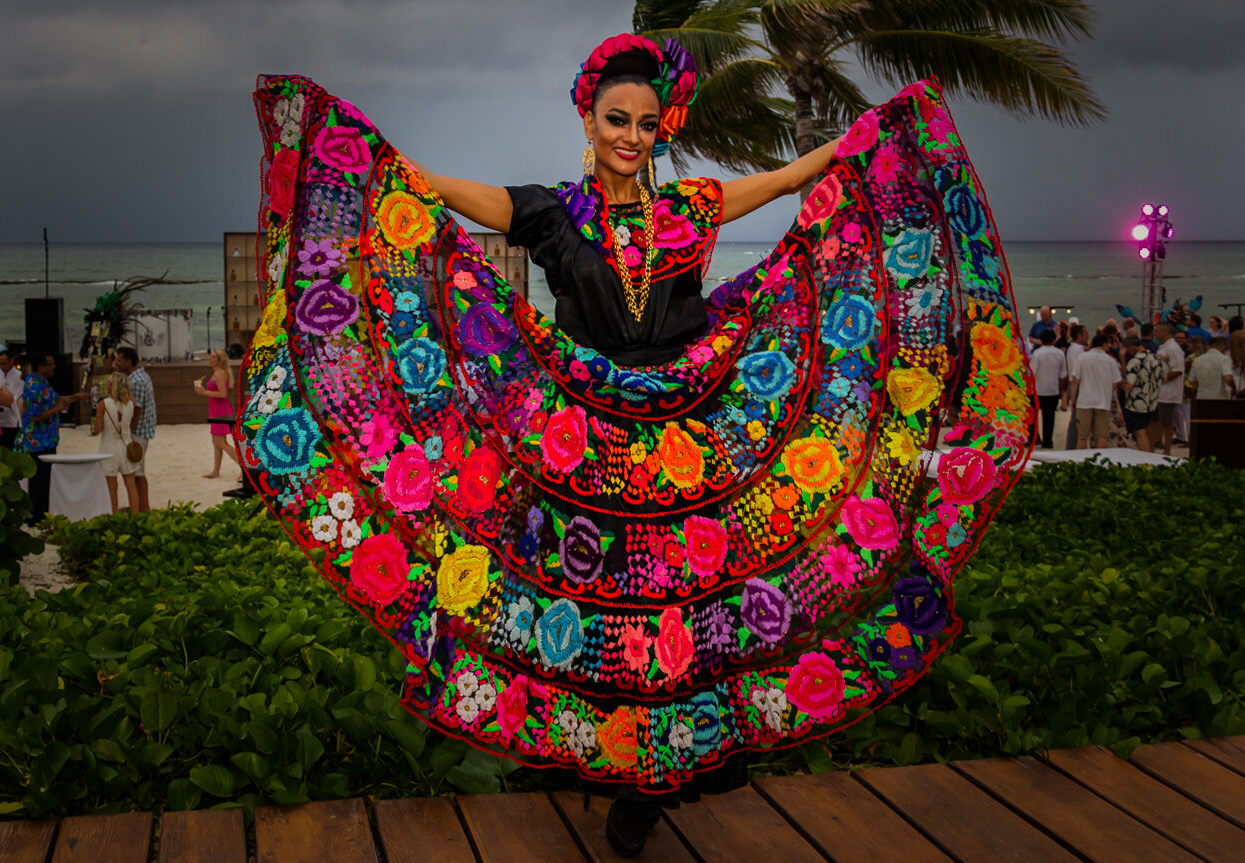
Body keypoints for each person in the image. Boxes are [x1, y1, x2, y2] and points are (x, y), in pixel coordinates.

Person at [242, 37, 1035, 858]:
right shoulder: (551, 212)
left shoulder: (689, 209)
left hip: (694, 435)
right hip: (588, 444)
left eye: (647, 123)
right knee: (604, 615)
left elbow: (795, 181)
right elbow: (440, 193)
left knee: (686, 615)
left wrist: (867, 140)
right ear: (588, 118)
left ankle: (651, 788)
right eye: (617, 119)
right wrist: (359, 154)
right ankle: (622, 776)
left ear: (662, 129)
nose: (631, 134)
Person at [18, 351, 88, 523]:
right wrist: (58, 410)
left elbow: (55, 400)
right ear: (41, 366)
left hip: (48, 438)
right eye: (50, 364)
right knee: (39, 479)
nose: (54, 367)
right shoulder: (34, 386)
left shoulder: (43, 383)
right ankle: (36, 516)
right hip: (38, 440)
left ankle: (41, 513)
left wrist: (75, 397)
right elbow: (35, 415)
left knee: (45, 478)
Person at [112, 346, 156, 513]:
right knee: (137, 470)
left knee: (137, 471)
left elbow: (136, 410)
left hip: (138, 432)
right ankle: (138, 505)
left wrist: (127, 432)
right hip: (143, 429)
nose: (115, 363)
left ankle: (143, 508)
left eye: (118, 360)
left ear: (128, 362)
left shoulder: (136, 381)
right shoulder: (141, 375)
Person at [93, 371, 141, 513]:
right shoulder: (131, 403)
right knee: (131, 485)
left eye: (108, 383)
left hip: (109, 448)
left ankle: (113, 515)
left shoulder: (104, 404)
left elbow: (97, 430)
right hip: (126, 446)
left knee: (112, 487)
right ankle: (136, 516)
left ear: (112, 386)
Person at [196, 349, 242, 480]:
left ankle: (244, 467)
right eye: (210, 357)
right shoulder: (217, 373)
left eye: (213, 357)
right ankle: (216, 471)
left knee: (220, 442)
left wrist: (204, 392)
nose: (210, 359)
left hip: (221, 409)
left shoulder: (219, 374)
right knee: (216, 442)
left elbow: (223, 394)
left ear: (219, 360)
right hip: (217, 408)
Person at [1071, 332, 1123, 448]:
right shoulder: (1110, 360)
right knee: (1101, 436)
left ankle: (1081, 461)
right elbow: (1115, 382)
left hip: (1084, 401)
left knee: (1082, 436)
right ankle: (1099, 462)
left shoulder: (1082, 358)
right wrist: (1108, 394)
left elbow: (1075, 380)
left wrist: (1073, 399)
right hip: (1103, 402)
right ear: (1104, 344)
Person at [1118, 335, 1164, 452]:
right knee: (1148, 431)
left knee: (1140, 433)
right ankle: (1150, 452)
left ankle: (1144, 457)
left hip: (1137, 403)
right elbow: (1162, 377)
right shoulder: (1155, 358)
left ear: (1132, 347)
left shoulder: (1135, 361)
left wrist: (1118, 383)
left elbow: (1128, 385)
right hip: (1152, 400)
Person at [1028, 330, 1065, 449]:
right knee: (1049, 417)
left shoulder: (1037, 354)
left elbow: (1032, 372)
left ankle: (1033, 439)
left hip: (1038, 389)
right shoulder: (1060, 354)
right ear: (1054, 340)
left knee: (1034, 417)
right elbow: (1063, 374)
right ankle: (1048, 441)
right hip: (1053, 389)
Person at [1153, 324, 1186, 455]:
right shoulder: (1162, 348)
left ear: (1165, 331)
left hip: (1168, 392)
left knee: (1166, 422)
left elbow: (1177, 370)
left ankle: (1167, 450)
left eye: (1157, 331)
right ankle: (1152, 445)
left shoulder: (1173, 348)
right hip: (1158, 392)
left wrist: (1163, 380)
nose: (1155, 333)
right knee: (1154, 420)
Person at [0, 350, 25, 450]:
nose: (1, 366)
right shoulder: (0, 374)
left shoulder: (19, 376)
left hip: (12, 419)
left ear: (11, 361)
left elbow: (16, 398)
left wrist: (4, 396)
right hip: (0, 418)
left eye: (4, 363)